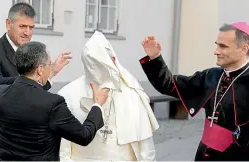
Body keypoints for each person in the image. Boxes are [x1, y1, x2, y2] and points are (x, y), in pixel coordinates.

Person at [140, 22, 249, 161]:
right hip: (203, 155)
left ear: (244, 49)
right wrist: (155, 58)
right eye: (217, 45)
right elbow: (169, 85)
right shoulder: (211, 76)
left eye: (223, 46)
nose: (216, 51)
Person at [0, 2, 68, 160]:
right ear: (8, 24)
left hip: (23, 142)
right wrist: (34, 77)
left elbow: (33, 92)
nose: (27, 32)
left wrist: (50, 73)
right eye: (23, 26)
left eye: (31, 27)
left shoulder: (33, 52)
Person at [0, 41, 109, 161]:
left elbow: (29, 91)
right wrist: (97, 105)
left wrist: (52, 72)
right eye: (50, 64)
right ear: (40, 69)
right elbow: (84, 136)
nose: (51, 67)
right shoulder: (53, 104)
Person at [59, 31, 159, 161]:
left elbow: (146, 149)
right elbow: (62, 151)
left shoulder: (132, 94)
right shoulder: (67, 94)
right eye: (94, 65)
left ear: (113, 60)